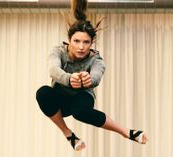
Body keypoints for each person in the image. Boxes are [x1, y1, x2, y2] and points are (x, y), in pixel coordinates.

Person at [36, 0, 148, 151]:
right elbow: (53, 69)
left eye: (86, 42)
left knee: (80, 112)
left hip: (81, 98)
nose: (81, 47)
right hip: (60, 100)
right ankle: (68, 134)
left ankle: (126, 132)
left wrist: (88, 80)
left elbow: (96, 76)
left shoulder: (96, 59)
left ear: (91, 43)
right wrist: (69, 79)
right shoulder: (58, 51)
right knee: (43, 93)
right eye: (76, 41)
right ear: (69, 41)